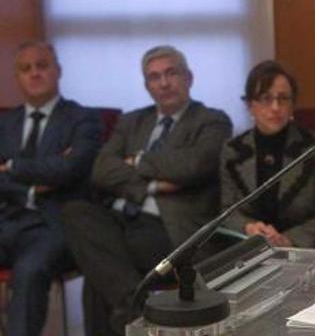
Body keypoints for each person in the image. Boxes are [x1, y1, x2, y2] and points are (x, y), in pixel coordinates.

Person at [61, 45, 232, 336]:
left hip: (170, 228)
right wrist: (152, 185)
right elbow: (102, 169)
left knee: (98, 271)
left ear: (188, 77)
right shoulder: (131, 121)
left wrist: (137, 161)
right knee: (74, 212)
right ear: (146, 85)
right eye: (154, 77)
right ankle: (134, 306)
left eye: (171, 73)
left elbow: (192, 166)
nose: (163, 83)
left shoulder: (212, 120)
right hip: (123, 216)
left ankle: (128, 309)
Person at [0, 41, 102, 336]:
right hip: (7, 219)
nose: (34, 74)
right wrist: (33, 186)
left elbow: (71, 170)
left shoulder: (84, 118)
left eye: (42, 66)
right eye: (25, 68)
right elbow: (57, 168)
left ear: (58, 71)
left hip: (53, 226)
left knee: (29, 272)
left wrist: (11, 167)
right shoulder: (4, 122)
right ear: (16, 77)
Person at [220, 60, 315, 269]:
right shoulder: (233, 150)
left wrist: (289, 239)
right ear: (249, 105)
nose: (275, 107)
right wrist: (249, 228)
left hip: (307, 257)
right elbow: (226, 212)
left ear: (293, 104)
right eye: (265, 98)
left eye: (283, 99)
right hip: (251, 256)